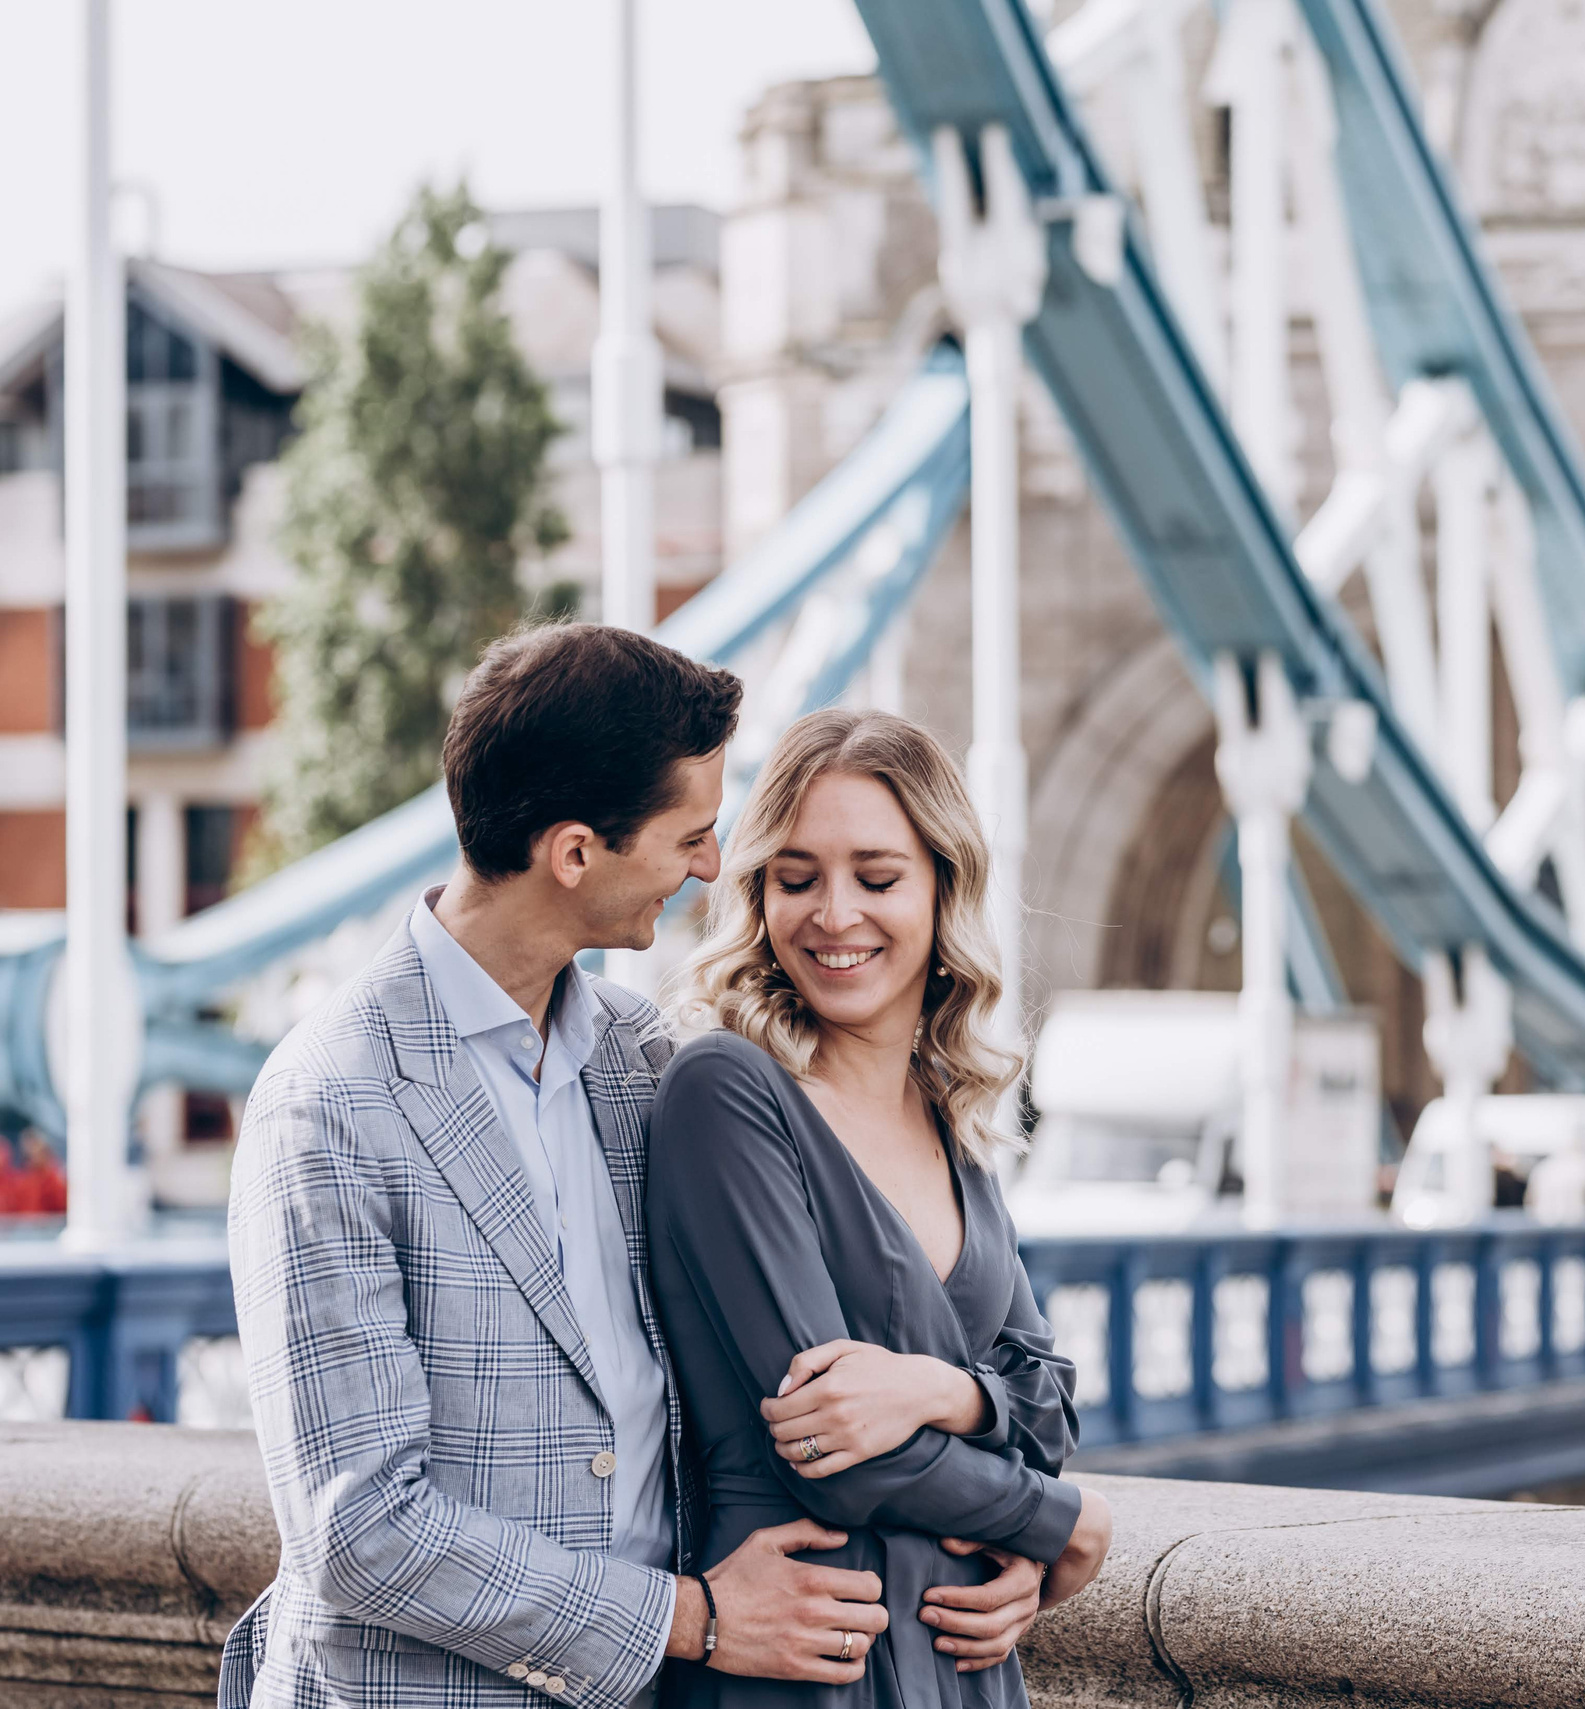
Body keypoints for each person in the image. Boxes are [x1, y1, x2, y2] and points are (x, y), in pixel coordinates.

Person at [220, 625, 1028, 1709]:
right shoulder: (332, 1099)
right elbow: (360, 1526)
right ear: (574, 852)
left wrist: (990, 1511)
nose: (709, 864)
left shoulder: (644, 1060)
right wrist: (689, 1618)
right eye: (689, 834)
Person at [649, 709, 1114, 1709]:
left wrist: (944, 1393)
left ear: (943, 886)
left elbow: (1048, 1404)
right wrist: (1058, 1523)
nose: (833, 913)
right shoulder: (726, 1090)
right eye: (797, 875)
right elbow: (828, 1453)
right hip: (807, 1660)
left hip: (965, 1662)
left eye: (877, 874)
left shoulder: (950, 1118)